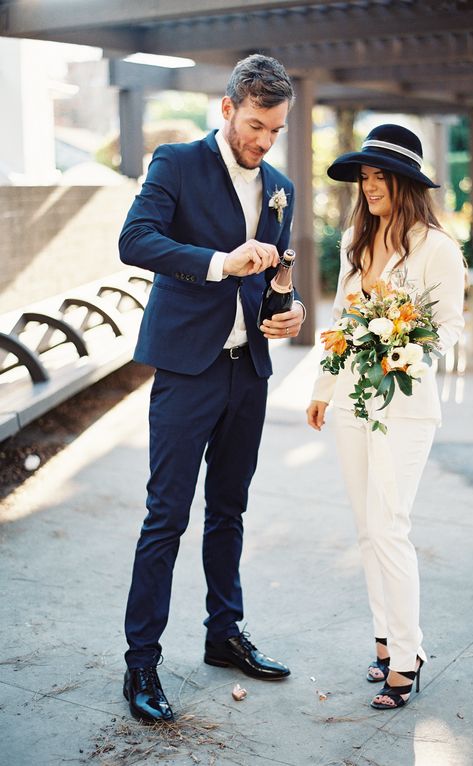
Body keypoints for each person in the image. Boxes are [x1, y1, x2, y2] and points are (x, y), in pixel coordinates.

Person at [119, 54, 305, 723]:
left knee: (229, 509)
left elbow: (276, 274)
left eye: (275, 130)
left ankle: (224, 634)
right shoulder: (176, 162)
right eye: (255, 124)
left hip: (246, 373)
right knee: (166, 515)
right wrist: (216, 263)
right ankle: (142, 660)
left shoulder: (279, 186)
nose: (263, 140)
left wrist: (290, 308)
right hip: (186, 370)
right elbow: (134, 240)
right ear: (226, 109)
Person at [306, 124, 465, 710]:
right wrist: (323, 387)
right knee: (367, 530)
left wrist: (408, 348)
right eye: (364, 177)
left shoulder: (438, 248)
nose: (370, 187)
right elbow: (344, 322)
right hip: (351, 403)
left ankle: (408, 654)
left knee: (390, 526)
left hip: (406, 408)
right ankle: (383, 638)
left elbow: (448, 326)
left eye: (379, 177)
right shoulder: (357, 239)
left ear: (405, 183)